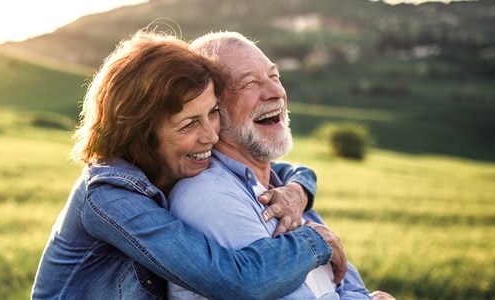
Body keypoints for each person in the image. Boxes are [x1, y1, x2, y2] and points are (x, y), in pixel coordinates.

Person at [31, 30, 348, 299]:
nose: (211, 136)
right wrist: (315, 240)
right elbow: (237, 281)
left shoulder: (170, 166)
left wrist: (297, 190)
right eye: (188, 125)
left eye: (212, 113)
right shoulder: (109, 197)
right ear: (142, 134)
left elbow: (279, 171)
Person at [168, 31, 395, 299]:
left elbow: (345, 279)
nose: (276, 92)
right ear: (212, 109)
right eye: (250, 83)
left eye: (274, 76)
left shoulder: (287, 193)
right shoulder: (209, 196)